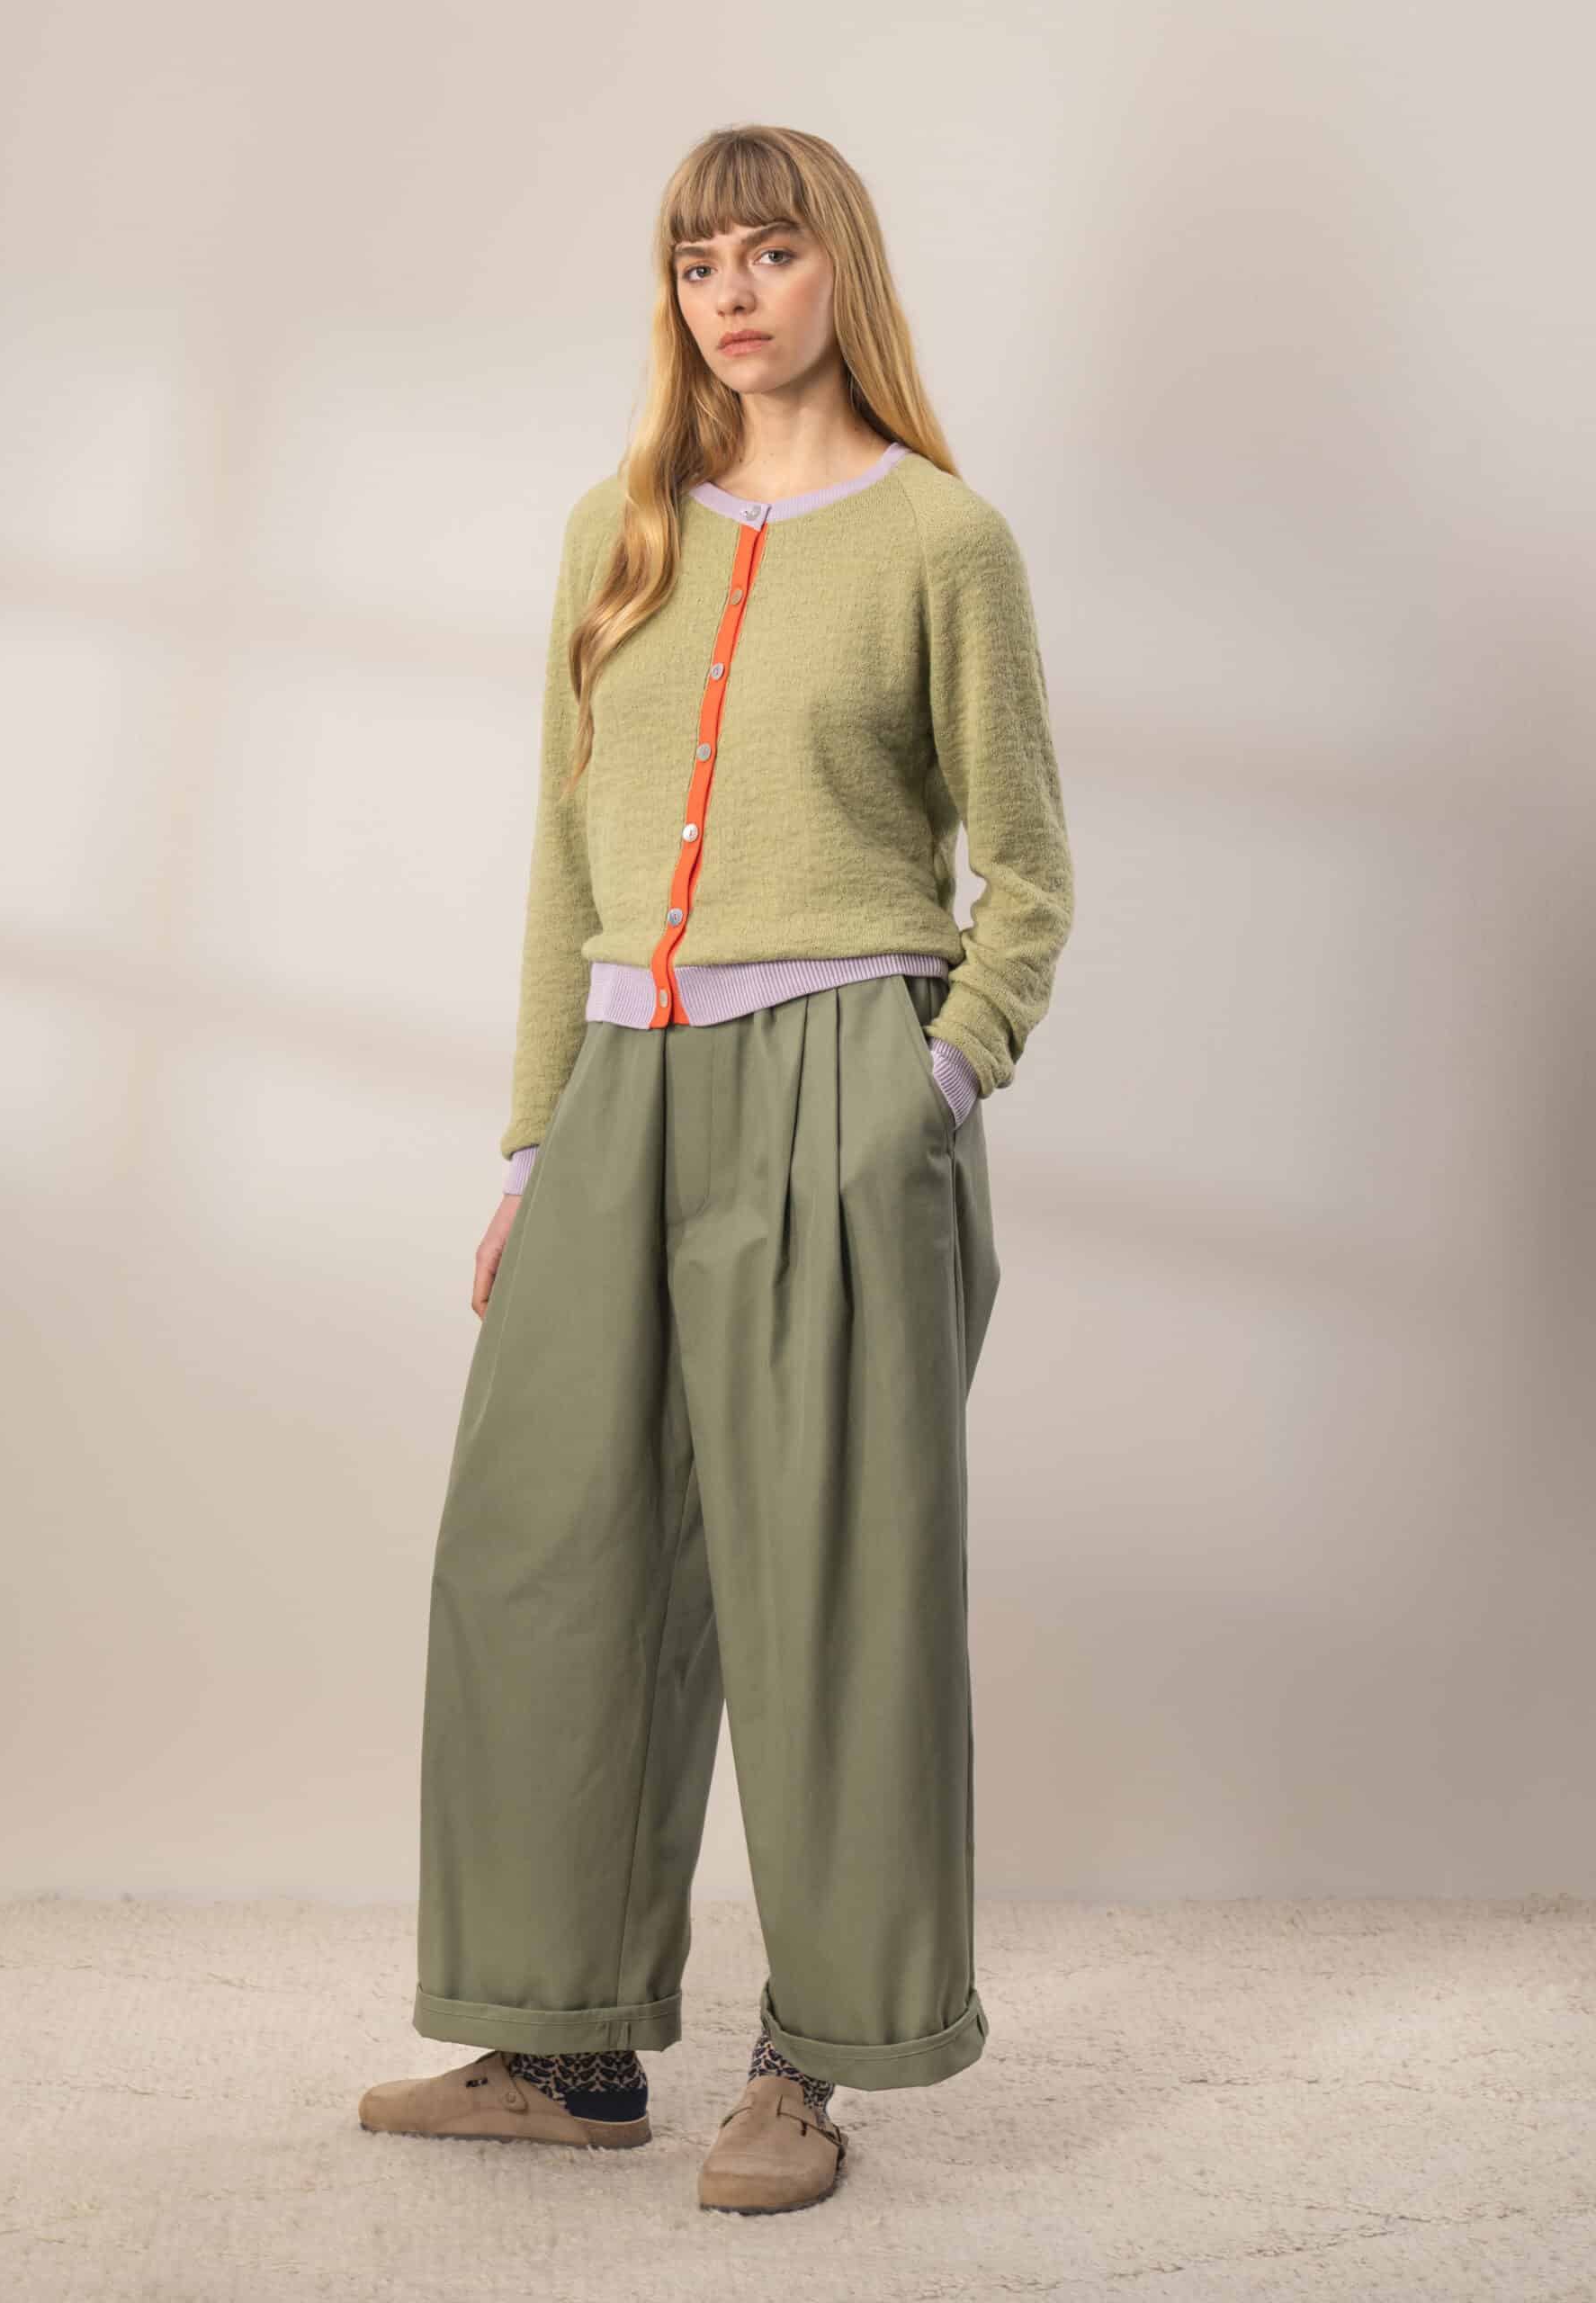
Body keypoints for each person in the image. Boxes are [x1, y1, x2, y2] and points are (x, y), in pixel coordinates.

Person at [358, 121, 1074, 2215]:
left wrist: (932, 1085)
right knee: (541, 1549)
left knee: (831, 1585)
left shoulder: (942, 539)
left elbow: (1026, 868)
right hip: (620, 1085)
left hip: (841, 1082)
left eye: (767, 252)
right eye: (697, 263)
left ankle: (808, 2059)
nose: (732, 294)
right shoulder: (618, 530)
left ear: (839, 267)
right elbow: (562, 858)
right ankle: (566, 2040)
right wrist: (533, 1141)